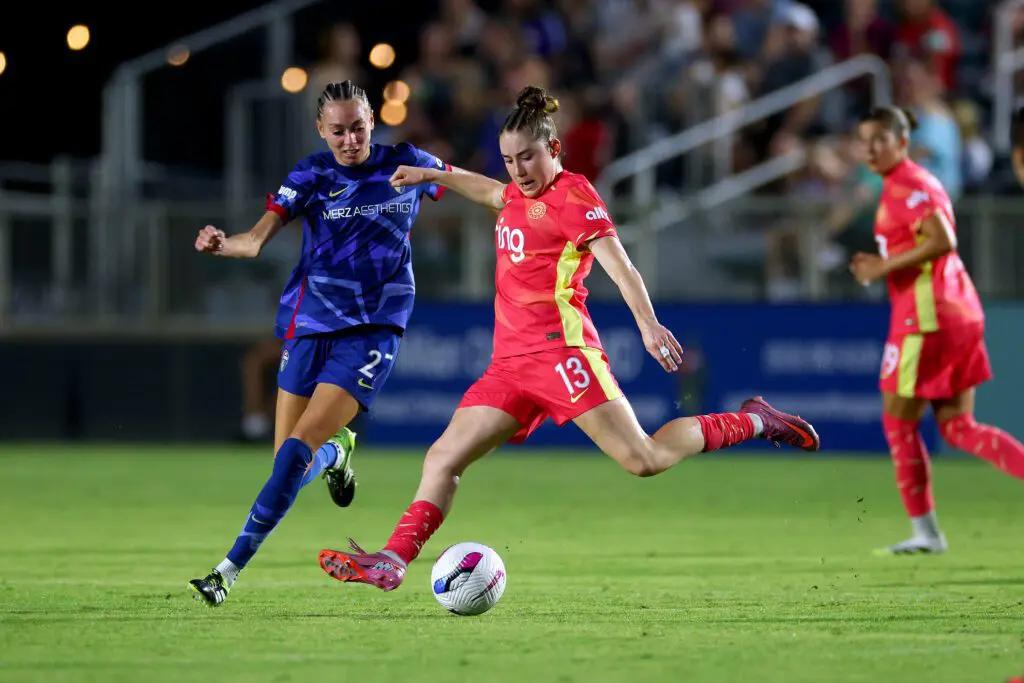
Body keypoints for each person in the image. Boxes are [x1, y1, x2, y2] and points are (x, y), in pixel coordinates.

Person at [316, 86, 821, 592]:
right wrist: (430, 174)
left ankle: (754, 419)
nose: (517, 170)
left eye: (528, 158)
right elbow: (491, 191)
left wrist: (647, 324)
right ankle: (393, 560)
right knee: (443, 459)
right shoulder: (515, 191)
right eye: (509, 159)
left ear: (553, 151)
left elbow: (621, 267)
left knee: (642, 459)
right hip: (509, 364)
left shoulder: (574, 196)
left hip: (562, 353)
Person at [187, 80, 451, 605]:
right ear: (320, 130)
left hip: (374, 327)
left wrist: (524, 200)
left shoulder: (407, 163)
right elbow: (256, 239)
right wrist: (223, 245)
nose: (350, 140)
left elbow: (469, 185)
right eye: (338, 131)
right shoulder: (311, 175)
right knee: (287, 460)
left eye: (358, 127)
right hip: (311, 323)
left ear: (373, 121)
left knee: (292, 457)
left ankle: (226, 572)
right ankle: (338, 453)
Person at [849, 106, 1024, 555]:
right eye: (864, 138)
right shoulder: (902, 184)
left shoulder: (911, 183)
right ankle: (927, 533)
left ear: (902, 143)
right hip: (957, 310)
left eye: (880, 139)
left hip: (926, 318)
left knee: (898, 420)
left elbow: (944, 238)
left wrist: (882, 265)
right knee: (958, 426)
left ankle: (926, 533)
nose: (869, 148)